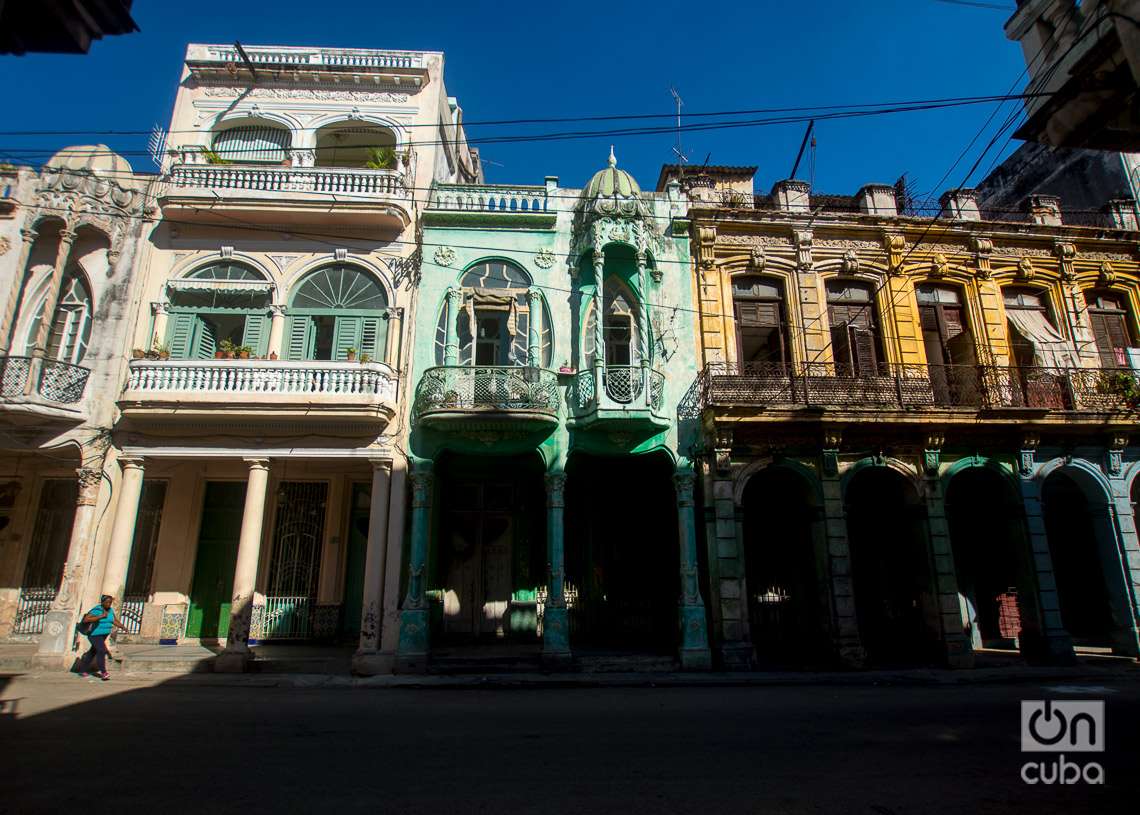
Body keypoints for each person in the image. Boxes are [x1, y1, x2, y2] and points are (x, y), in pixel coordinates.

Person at [77, 595, 129, 680]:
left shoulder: (110, 610)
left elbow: (114, 620)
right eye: (107, 602)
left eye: (110, 602)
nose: (109, 604)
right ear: (102, 602)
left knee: (92, 652)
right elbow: (86, 619)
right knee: (101, 650)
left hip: (103, 635)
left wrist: (122, 627)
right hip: (94, 634)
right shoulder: (97, 609)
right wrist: (100, 616)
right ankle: (104, 672)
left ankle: (82, 670)